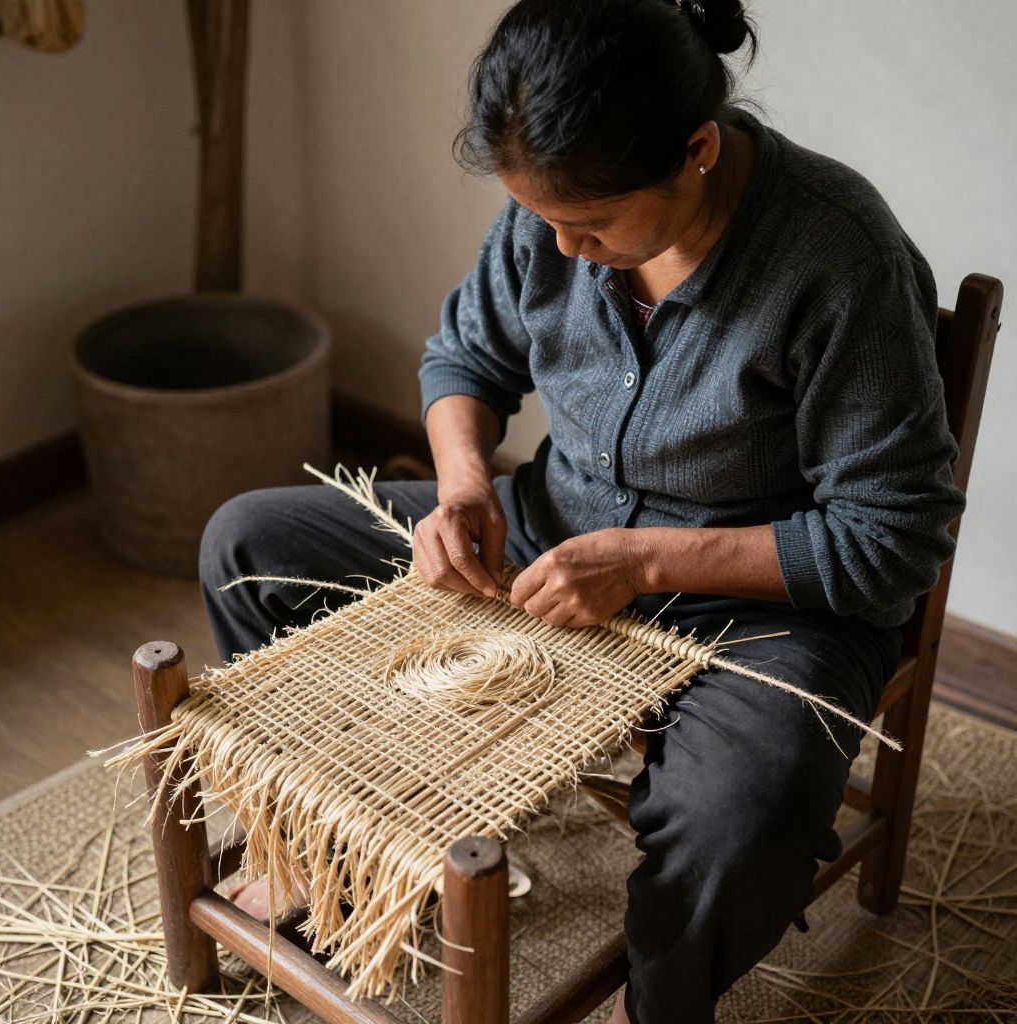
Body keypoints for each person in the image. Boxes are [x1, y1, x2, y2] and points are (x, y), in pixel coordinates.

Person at [198, 1, 966, 1020]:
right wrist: (466, 487)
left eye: (589, 226)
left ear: (696, 150)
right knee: (248, 547)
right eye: (543, 218)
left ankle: (664, 999)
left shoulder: (837, 256)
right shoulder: (548, 214)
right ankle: (339, 842)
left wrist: (646, 563)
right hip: (551, 527)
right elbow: (464, 359)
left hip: (764, 608)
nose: (558, 243)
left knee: (738, 815)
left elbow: (890, 542)